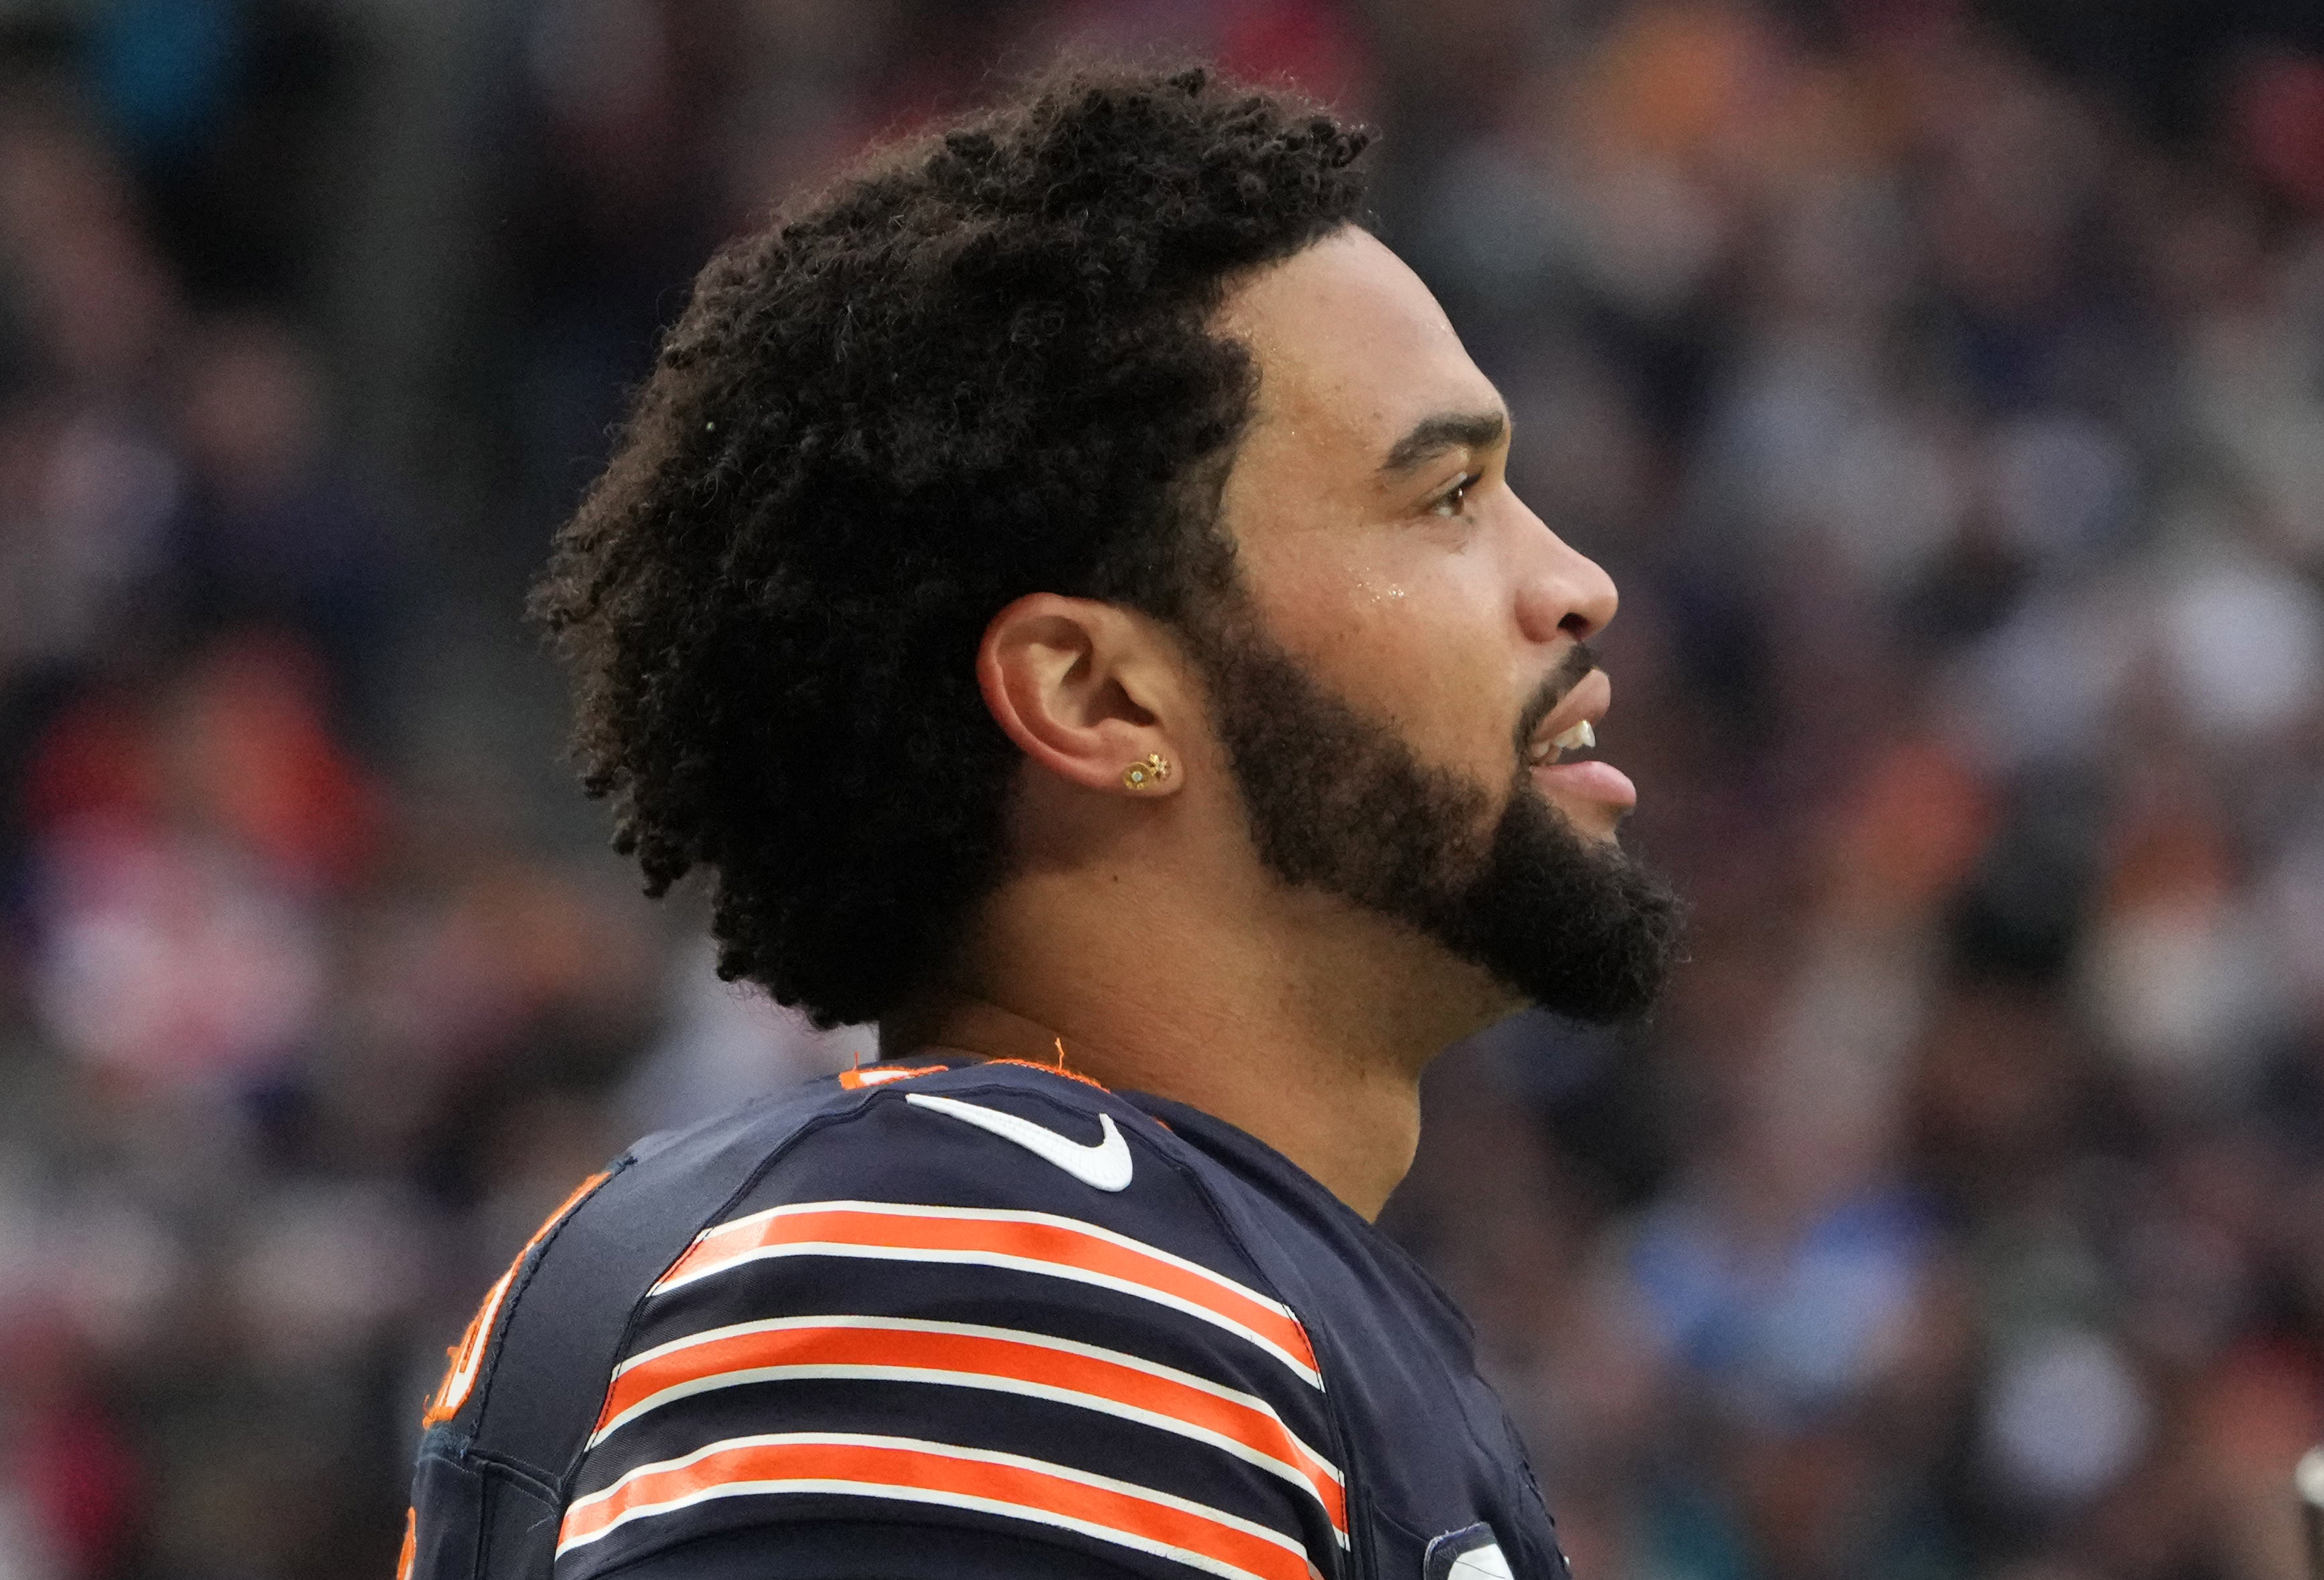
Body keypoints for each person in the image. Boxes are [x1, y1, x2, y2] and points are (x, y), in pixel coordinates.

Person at [400, 61, 1682, 1580]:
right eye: (1446, 495)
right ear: (1097, 697)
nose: (1576, 581)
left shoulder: (1078, 1251)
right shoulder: (1010, 1263)